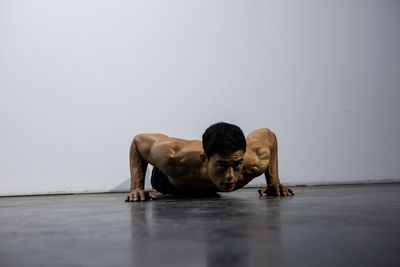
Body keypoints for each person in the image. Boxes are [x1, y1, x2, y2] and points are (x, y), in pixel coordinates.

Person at [125, 122, 294, 202]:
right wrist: (136, 187)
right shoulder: (174, 156)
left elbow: (268, 136)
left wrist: (274, 182)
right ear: (204, 160)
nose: (230, 176)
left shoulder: (257, 157)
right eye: (221, 166)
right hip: (171, 182)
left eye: (237, 165)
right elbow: (138, 142)